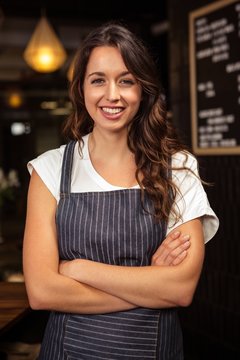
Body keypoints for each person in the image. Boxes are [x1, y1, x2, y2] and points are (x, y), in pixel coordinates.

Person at [23, 21, 219, 359]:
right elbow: (41, 291)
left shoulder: (178, 168)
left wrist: (79, 270)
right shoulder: (49, 170)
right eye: (98, 80)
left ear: (141, 90)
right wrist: (150, 283)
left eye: (126, 81)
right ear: (81, 88)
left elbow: (181, 289)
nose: (112, 95)